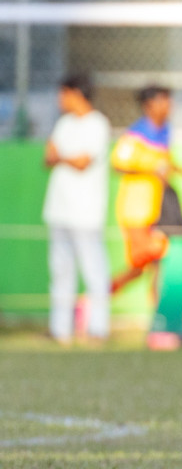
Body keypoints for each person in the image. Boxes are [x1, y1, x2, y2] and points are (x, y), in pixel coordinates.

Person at [110, 86, 182, 297]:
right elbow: (117, 164)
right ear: (149, 105)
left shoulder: (164, 132)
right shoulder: (136, 134)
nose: (168, 106)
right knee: (149, 260)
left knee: (155, 263)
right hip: (136, 212)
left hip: (158, 209)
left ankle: (158, 319)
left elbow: (167, 166)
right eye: (163, 100)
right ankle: (98, 296)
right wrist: (150, 171)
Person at [42, 74, 112, 344]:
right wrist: (63, 157)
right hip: (58, 209)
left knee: (93, 269)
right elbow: (48, 156)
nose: (61, 100)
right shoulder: (63, 123)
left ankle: (98, 328)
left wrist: (62, 156)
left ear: (76, 93)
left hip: (86, 211)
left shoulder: (97, 124)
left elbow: (83, 162)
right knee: (60, 270)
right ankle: (60, 329)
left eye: (64, 93)